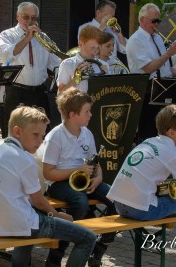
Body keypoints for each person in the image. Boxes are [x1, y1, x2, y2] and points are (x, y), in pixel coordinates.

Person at [0, 106, 98, 267]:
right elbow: (39, 201)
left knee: (27, 224)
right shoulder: (23, 158)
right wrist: (56, 214)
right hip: (20, 224)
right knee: (88, 238)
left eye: (42, 136)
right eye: (35, 135)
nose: (40, 141)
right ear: (17, 131)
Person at [43, 88, 116, 267]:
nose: (91, 114)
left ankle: (100, 248)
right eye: (87, 111)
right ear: (73, 114)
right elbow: (48, 172)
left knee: (117, 197)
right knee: (81, 202)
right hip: (59, 183)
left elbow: (95, 163)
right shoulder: (55, 136)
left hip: (85, 178)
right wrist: (78, 169)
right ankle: (57, 254)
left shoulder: (87, 133)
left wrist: (98, 177)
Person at [107, 104, 176, 221]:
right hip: (142, 210)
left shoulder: (149, 141)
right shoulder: (173, 153)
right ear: (171, 132)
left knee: (169, 185)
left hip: (119, 205)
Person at [0, 2, 61, 133]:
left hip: (39, 92)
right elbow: (6, 56)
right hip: (17, 92)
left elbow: (57, 62)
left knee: (42, 133)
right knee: (15, 134)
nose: (30, 21)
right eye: (26, 17)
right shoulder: (7, 35)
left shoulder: (43, 38)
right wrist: (27, 38)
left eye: (33, 18)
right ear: (18, 16)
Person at [126, 3, 176, 141]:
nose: (156, 24)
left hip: (162, 87)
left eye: (158, 21)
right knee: (149, 130)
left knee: (164, 131)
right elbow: (148, 68)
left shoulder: (157, 38)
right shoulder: (136, 40)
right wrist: (168, 54)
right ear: (142, 20)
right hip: (147, 89)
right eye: (154, 21)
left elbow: (165, 68)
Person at [57, 25, 108, 94]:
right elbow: (60, 95)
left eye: (98, 48)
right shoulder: (67, 64)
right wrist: (75, 79)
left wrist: (108, 79)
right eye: (92, 48)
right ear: (80, 43)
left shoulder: (103, 65)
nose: (96, 52)